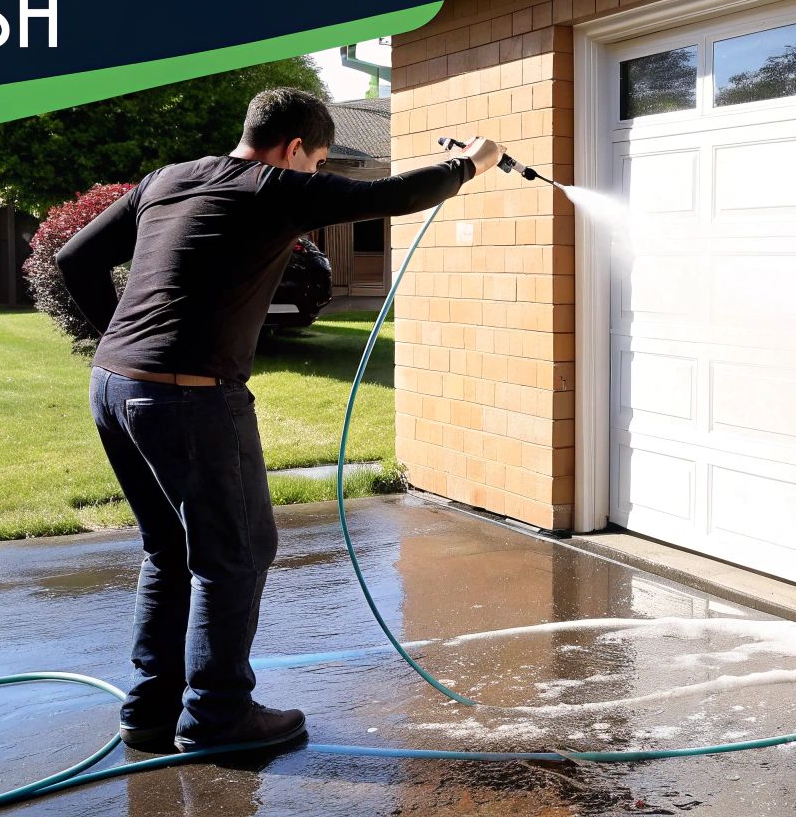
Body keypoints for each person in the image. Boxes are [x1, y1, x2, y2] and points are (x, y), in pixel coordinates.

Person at [57, 87, 500, 754]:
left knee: (169, 550)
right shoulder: (275, 185)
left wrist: (123, 341)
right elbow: (395, 195)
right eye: (317, 161)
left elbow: (76, 259)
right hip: (189, 396)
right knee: (235, 555)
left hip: (114, 389)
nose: (316, 174)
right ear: (295, 148)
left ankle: (150, 709)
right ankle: (217, 718)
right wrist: (472, 162)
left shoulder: (170, 179)